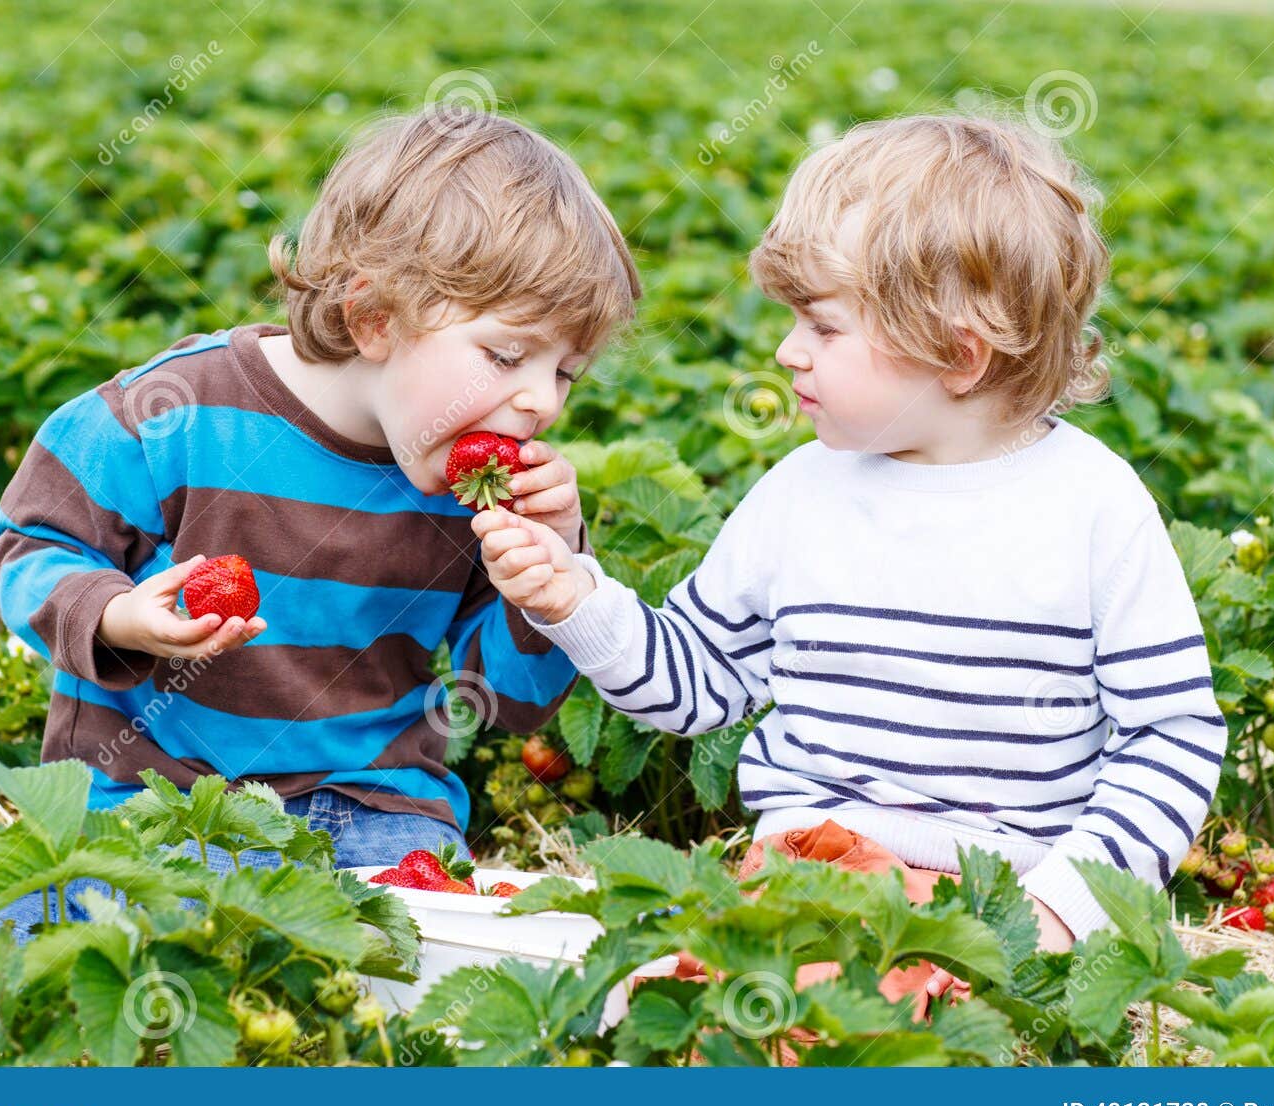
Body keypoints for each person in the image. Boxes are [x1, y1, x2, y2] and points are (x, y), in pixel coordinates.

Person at [473, 113, 1227, 1006]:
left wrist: (1063, 907)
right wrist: (576, 598)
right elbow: (699, 684)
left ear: (957, 352)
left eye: (822, 327)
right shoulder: (803, 492)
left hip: (1005, 901)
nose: (788, 350)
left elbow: (1172, 735)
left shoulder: (1094, 508)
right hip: (810, 870)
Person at [0, 107, 639, 941]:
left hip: (375, 805)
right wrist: (117, 617)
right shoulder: (179, 412)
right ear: (374, 318)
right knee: (105, 924)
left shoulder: (481, 495)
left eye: (566, 372)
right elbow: (32, 544)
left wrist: (553, 580)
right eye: (507, 356)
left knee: (428, 949)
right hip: (164, 791)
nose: (541, 400)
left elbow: (514, 701)